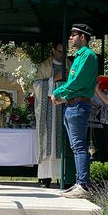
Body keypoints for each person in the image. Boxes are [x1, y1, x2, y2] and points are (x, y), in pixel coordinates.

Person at [51, 23, 98, 199]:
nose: (70, 38)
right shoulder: (79, 56)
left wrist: (57, 92)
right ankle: (79, 183)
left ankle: (83, 185)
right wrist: (63, 96)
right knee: (76, 146)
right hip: (72, 105)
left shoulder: (88, 56)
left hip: (78, 106)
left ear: (83, 37)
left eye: (73, 35)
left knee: (79, 146)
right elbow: (76, 84)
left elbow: (78, 82)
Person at [33, 42, 72, 188]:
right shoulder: (44, 66)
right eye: (60, 51)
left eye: (65, 52)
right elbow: (36, 85)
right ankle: (45, 177)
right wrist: (54, 78)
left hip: (64, 107)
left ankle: (64, 176)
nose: (62, 55)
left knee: (63, 141)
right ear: (54, 51)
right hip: (48, 109)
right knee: (47, 140)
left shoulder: (70, 65)